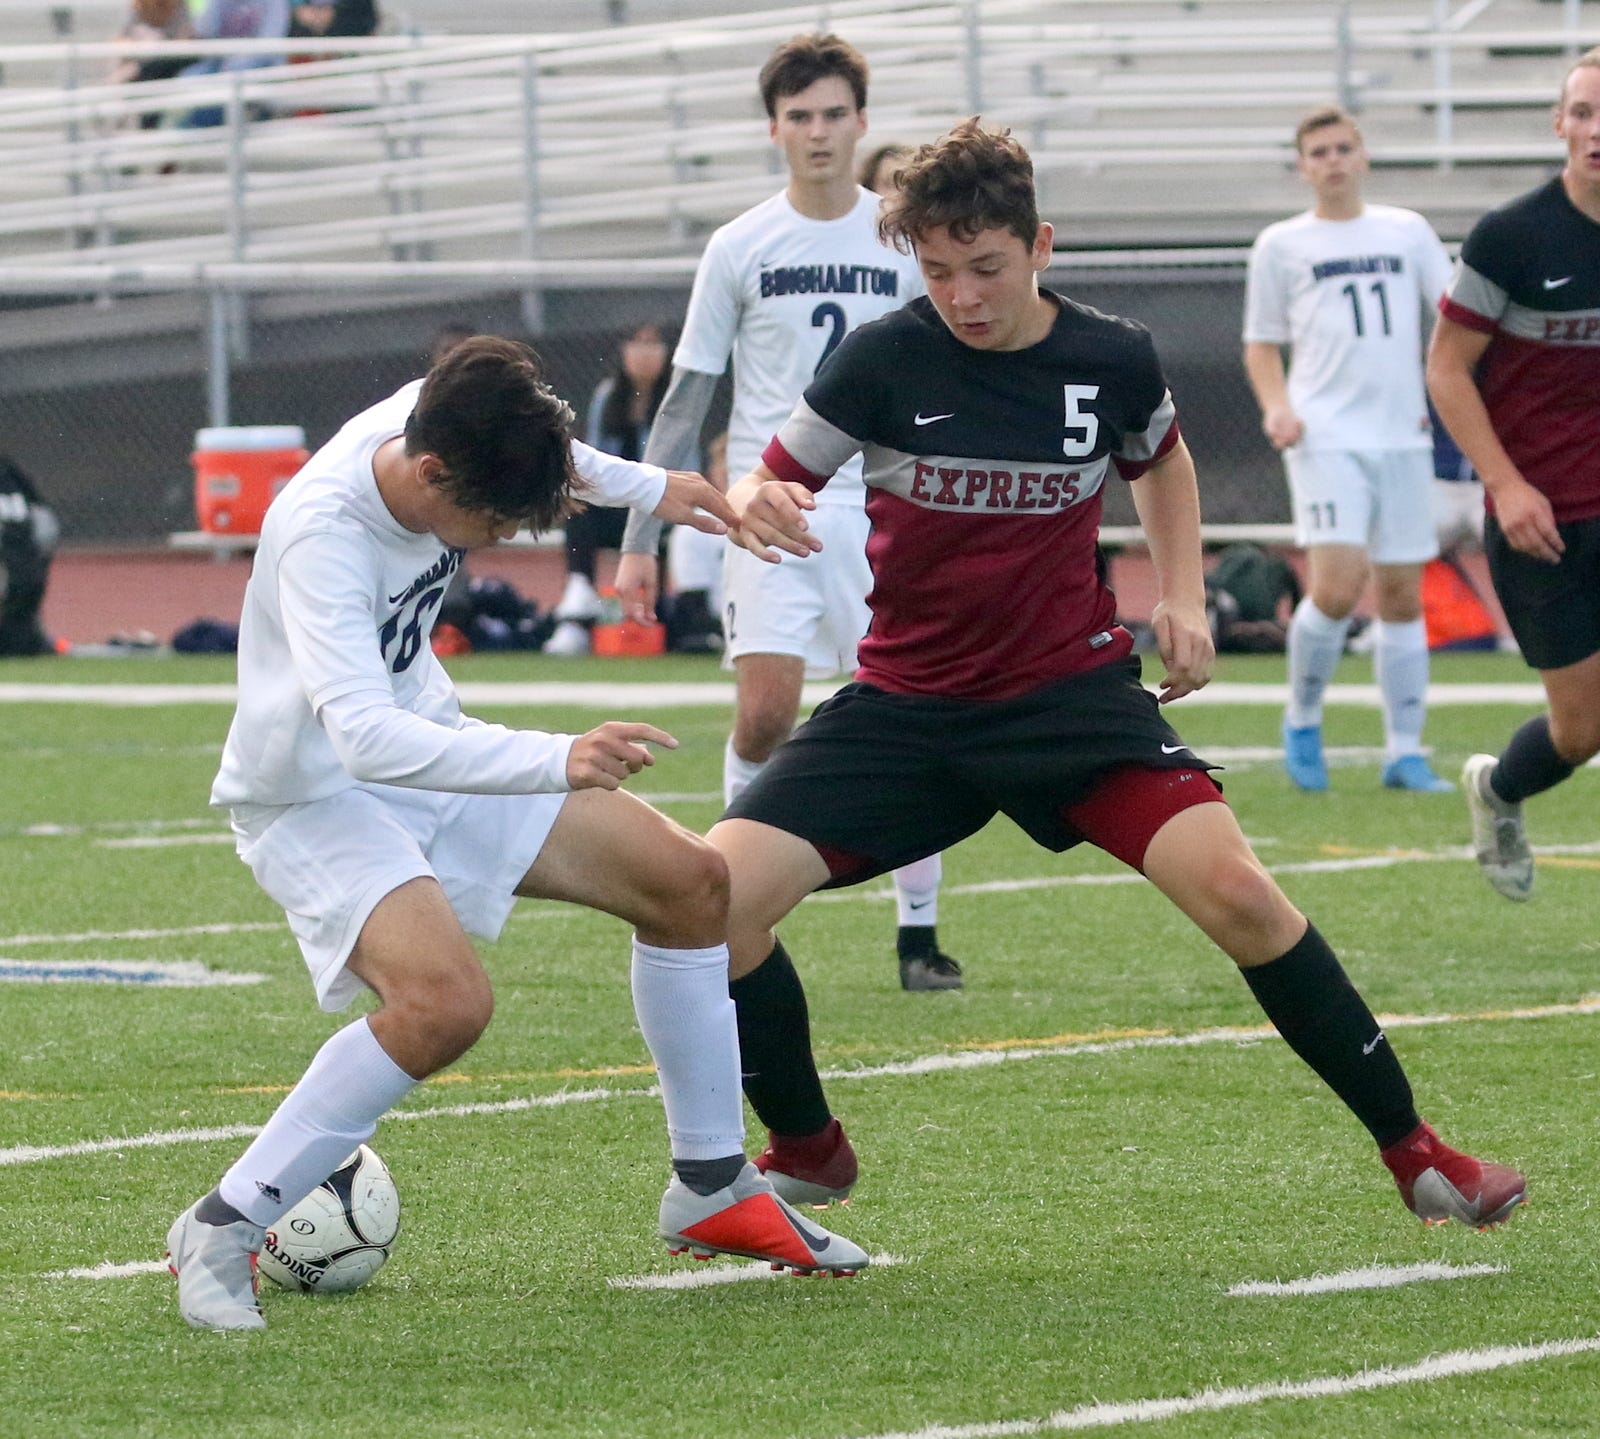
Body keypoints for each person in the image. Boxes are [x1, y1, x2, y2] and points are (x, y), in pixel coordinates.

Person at [705, 118, 1526, 1232]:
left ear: (1040, 243)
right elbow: (771, 477)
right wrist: (758, 501)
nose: (963, 295)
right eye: (938, 271)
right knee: (709, 899)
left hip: (1071, 704)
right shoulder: (882, 356)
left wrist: (1180, 592)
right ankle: (807, 1145)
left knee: (1242, 893)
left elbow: (1162, 460)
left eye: (985, 266)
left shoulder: (1112, 355)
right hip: (909, 706)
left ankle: (1420, 1153)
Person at [164, 337, 868, 1332]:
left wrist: (666, 488)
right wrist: (553, 757)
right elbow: (359, 734)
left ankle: (710, 1184)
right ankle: (223, 1222)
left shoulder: (445, 413)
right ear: (431, 472)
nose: (492, 538)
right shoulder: (323, 530)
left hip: (434, 746)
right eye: (489, 519)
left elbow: (553, 453)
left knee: (690, 882)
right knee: (443, 1003)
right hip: (315, 792)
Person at [614, 34, 964, 993]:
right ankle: (727, 902)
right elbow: (687, 400)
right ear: (774, 129)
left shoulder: (900, 240)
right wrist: (640, 539)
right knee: (765, 715)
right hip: (769, 503)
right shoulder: (740, 244)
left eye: (835, 113)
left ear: (861, 120)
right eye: (800, 115)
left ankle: (919, 931)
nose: (818, 131)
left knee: (910, 714)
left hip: (886, 506)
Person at [1427, 48, 1600, 901]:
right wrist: (1505, 484)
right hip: (1545, 519)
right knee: (1582, 731)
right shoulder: (1513, 236)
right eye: (1584, 112)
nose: (1597, 131)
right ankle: (1499, 788)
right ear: (1559, 124)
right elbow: (1446, 370)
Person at [1243, 107, 1457, 795]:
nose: (1333, 160)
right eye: (1319, 151)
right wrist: (1278, 406)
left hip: (1402, 434)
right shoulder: (1281, 243)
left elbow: (1456, 315)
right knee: (1336, 585)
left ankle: (1405, 750)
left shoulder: (1407, 230)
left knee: (1400, 592)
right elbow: (1261, 343)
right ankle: (1302, 719)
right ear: (1303, 166)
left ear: (1363, 156)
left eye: (1343, 148)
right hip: (1325, 434)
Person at [546, 323, 672, 656]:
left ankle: (676, 615)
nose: (646, 353)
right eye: (639, 343)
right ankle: (579, 597)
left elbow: (683, 461)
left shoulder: (674, 399)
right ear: (624, 350)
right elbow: (598, 459)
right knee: (579, 510)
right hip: (619, 505)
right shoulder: (608, 396)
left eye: (654, 344)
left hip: (661, 504)